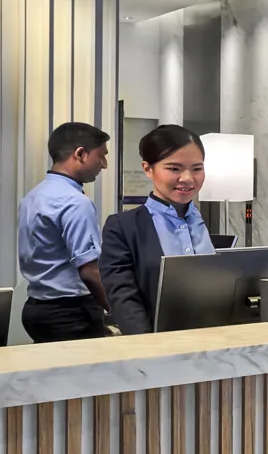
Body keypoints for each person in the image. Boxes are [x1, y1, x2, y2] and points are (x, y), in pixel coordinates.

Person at [101, 124, 213, 334]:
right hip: (158, 347)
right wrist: (150, 349)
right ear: (148, 169)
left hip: (215, 344)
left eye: (197, 168)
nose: (188, 178)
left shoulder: (204, 220)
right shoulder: (123, 226)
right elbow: (124, 298)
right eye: (174, 169)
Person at [16, 122, 112, 342]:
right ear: (81, 154)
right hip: (71, 313)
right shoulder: (75, 202)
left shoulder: (33, 196)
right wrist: (113, 308)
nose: (104, 165)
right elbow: (89, 270)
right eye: (101, 156)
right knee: (87, 376)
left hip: (37, 309)